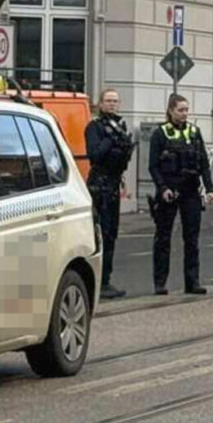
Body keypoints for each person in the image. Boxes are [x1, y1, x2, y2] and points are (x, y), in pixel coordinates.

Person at [148, 95, 213, 295]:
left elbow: (203, 163)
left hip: (191, 191)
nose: (184, 114)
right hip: (169, 191)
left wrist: (209, 189)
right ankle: (160, 283)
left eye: (186, 110)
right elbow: (153, 166)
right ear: (170, 111)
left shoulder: (194, 132)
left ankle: (192, 282)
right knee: (163, 238)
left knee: (192, 238)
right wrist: (162, 188)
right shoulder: (160, 134)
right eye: (180, 110)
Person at [85, 88, 135, 300]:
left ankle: (107, 278)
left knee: (112, 233)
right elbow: (94, 155)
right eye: (108, 100)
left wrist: (123, 146)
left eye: (115, 101)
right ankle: (99, 281)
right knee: (101, 232)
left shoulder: (121, 126)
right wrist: (110, 142)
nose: (112, 104)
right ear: (101, 103)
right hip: (99, 184)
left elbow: (125, 156)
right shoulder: (95, 127)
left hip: (114, 183)